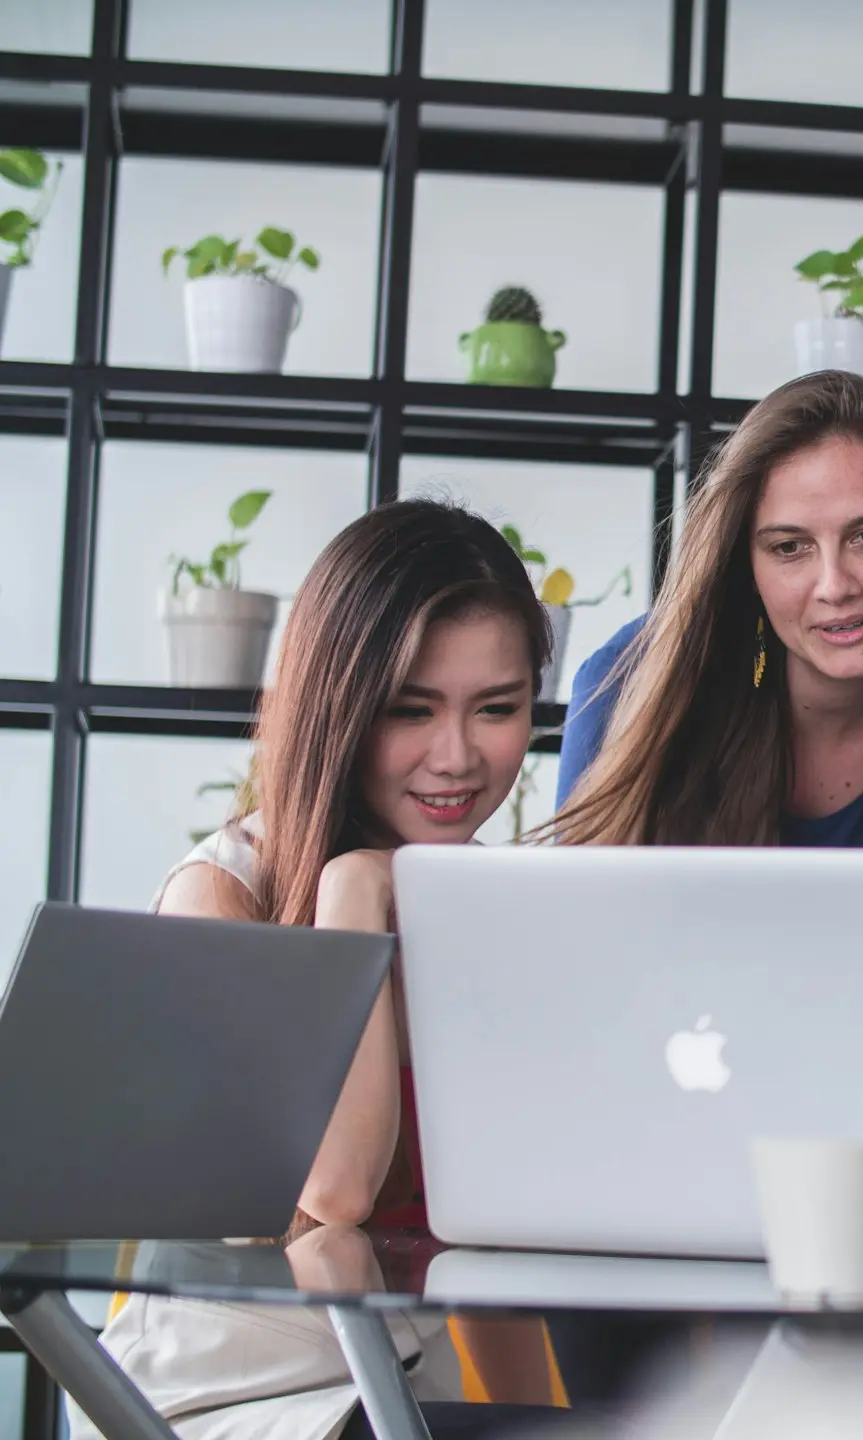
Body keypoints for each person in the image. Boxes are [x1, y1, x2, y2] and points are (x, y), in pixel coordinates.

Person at [112, 498, 567, 1435]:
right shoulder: (220, 895)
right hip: (230, 1401)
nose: (458, 757)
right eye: (412, 710)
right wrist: (355, 894)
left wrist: (548, 1427)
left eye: (498, 709)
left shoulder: (481, 912)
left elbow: (489, 1257)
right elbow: (335, 1191)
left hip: (401, 1395)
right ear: (341, 705)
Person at [551, 369, 863, 869]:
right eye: (789, 547)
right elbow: (577, 932)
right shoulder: (629, 681)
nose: (835, 586)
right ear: (748, 562)